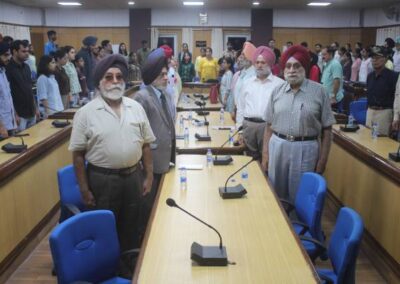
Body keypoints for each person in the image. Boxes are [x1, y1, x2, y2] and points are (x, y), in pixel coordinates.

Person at [69, 54, 155, 268]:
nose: (115, 81)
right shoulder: (85, 113)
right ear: (99, 82)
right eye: (109, 77)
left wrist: (149, 176)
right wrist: (84, 189)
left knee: (132, 224)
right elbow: (78, 155)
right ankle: (107, 269)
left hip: (134, 176)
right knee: (105, 228)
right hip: (102, 180)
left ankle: (129, 268)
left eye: (119, 77)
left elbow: (146, 144)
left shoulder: (136, 107)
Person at [261, 45, 335, 203]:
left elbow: (327, 131)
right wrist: (265, 155)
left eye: (297, 66)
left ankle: (298, 226)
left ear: (305, 68)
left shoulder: (319, 92)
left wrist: (322, 161)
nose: (292, 70)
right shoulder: (277, 91)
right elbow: (268, 126)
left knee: (301, 197)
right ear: (283, 69)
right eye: (288, 66)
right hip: (278, 147)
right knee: (275, 195)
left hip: (306, 149)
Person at [131, 48, 176, 240]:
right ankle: (144, 240)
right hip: (151, 163)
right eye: (162, 75)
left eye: (166, 74)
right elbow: (138, 136)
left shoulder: (162, 94)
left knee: (158, 204)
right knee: (147, 207)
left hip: (165, 159)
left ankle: (158, 235)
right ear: (151, 77)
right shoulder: (142, 97)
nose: (167, 78)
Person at [238, 46, 284, 158]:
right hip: (248, 126)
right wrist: (239, 130)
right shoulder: (247, 83)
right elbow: (240, 108)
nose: (259, 65)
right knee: (249, 161)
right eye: (257, 62)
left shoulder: (280, 84)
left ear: (270, 64)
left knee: (268, 159)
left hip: (269, 128)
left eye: (263, 62)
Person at [366, 46, 398, 136]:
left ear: (385, 59)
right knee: (367, 140)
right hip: (370, 111)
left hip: (384, 113)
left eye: (377, 58)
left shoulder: (393, 76)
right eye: (372, 58)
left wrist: (395, 117)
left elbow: (396, 97)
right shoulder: (370, 76)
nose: (374, 60)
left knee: (381, 143)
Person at [6, 40, 38, 131]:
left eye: (28, 51)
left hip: (31, 111)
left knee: (35, 141)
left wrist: (36, 108)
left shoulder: (27, 67)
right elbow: (8, 94)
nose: (27, 54)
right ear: (15, 52)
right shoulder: (8, 69)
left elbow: (30, 89)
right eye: (23, 51)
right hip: (19, 115)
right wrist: (14, 114)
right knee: (22, 143)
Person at [232, 42, 256, 122]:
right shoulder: (243, 72)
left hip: (247, 115)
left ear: (250, 59)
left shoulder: (254, 74)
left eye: (243, 55)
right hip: (239, 110)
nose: (240, 58)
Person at [0, 42, 17, 137]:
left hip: (10, 122)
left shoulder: (3, 72)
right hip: (2, 126)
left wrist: (15, 115)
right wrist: (1, 126)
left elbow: (8, 98)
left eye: (9, 54)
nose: (9, 57)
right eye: (5, 55)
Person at [321, 46, 344, 111]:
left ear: (330, 54)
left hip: (334, 100)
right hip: (327, 98)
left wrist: (333, 97)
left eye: (324, 54)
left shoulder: (335, 64)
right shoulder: (327, 64)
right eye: (322, 54)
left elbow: (337, 81)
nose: (322, 56)